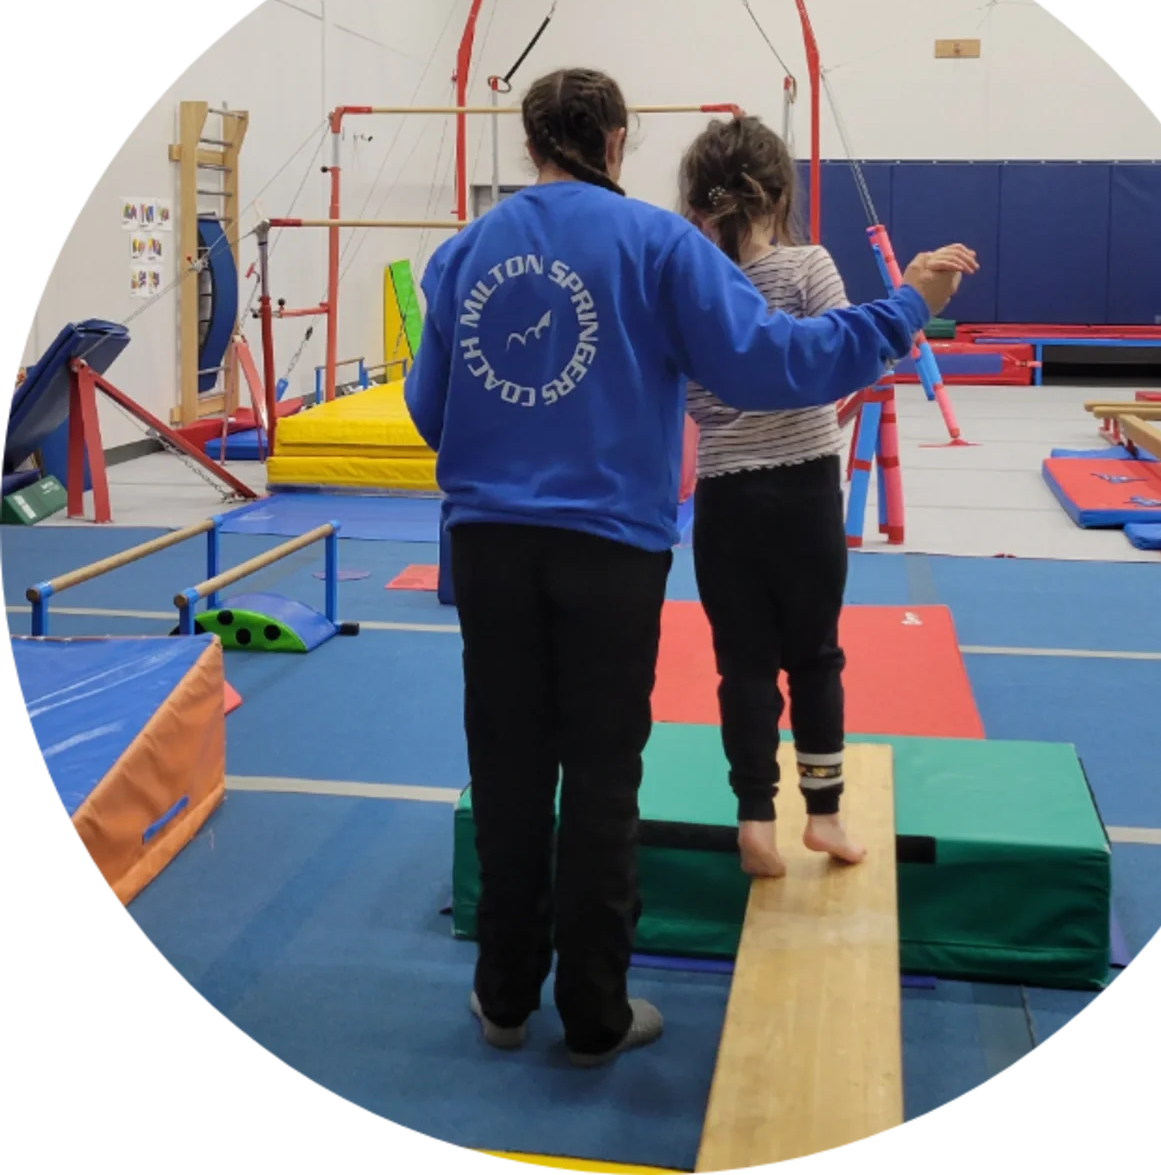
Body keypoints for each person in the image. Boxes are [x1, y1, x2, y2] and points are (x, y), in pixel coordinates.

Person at [403, 67, 977, 1069]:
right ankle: (592, 1011)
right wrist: (905, 308)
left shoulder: (463, 253)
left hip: (488, 544)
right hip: (607, 548)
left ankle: (502, 997)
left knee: (505, 764)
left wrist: (521, 426)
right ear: (617, 141)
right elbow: (781, 365)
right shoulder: (656, 243)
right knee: (598, 773)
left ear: (528, 140)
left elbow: (427, 408)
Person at [678, 114, 875, 878]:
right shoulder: (805, 266)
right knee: (816, 657)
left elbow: (685, 387)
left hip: (724, 499)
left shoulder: (693, 289)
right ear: (777, 193)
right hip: (801, 491)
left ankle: (755, 820)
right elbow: (841, 353)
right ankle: (822, 816)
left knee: (745, 665)